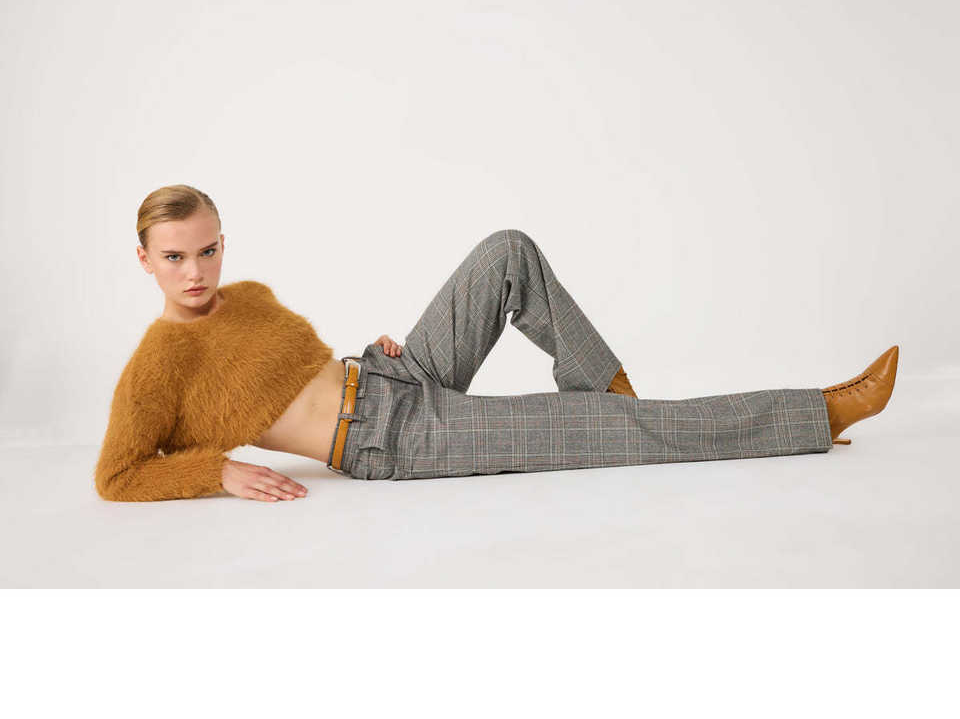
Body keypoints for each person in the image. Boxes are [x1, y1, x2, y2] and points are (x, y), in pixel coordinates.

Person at [94, 183, 898, 502]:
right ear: (144, 261)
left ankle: (611, 397)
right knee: (605, 430)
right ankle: (817, 414)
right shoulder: (155, 368)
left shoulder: (250, 298)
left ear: (222, 243)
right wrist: (219, 471)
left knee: (508, 252)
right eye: (175, 257)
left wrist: (369, 353)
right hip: (391, 440)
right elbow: (118, 476)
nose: (195, 271)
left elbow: (295, 375)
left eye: (206, 250)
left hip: (392, 376)